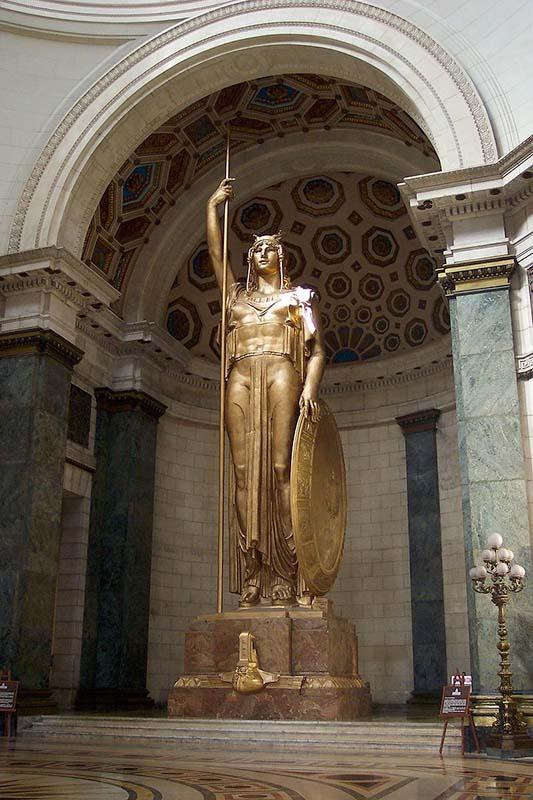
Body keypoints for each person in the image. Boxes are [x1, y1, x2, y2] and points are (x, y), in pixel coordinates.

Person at [207, 178, 326, 607]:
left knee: (279, 471)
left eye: (269, 247)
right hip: (240, 376)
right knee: (242, 474)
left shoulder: (299, 297)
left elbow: (316, 351)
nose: (261, 252)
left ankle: (288, 572)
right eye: (255, 248)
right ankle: (252, 570)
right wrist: (211, 207)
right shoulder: (234, 297)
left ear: (282, 255)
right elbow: (216, 254)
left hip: (281, 371)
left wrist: (310, 387)